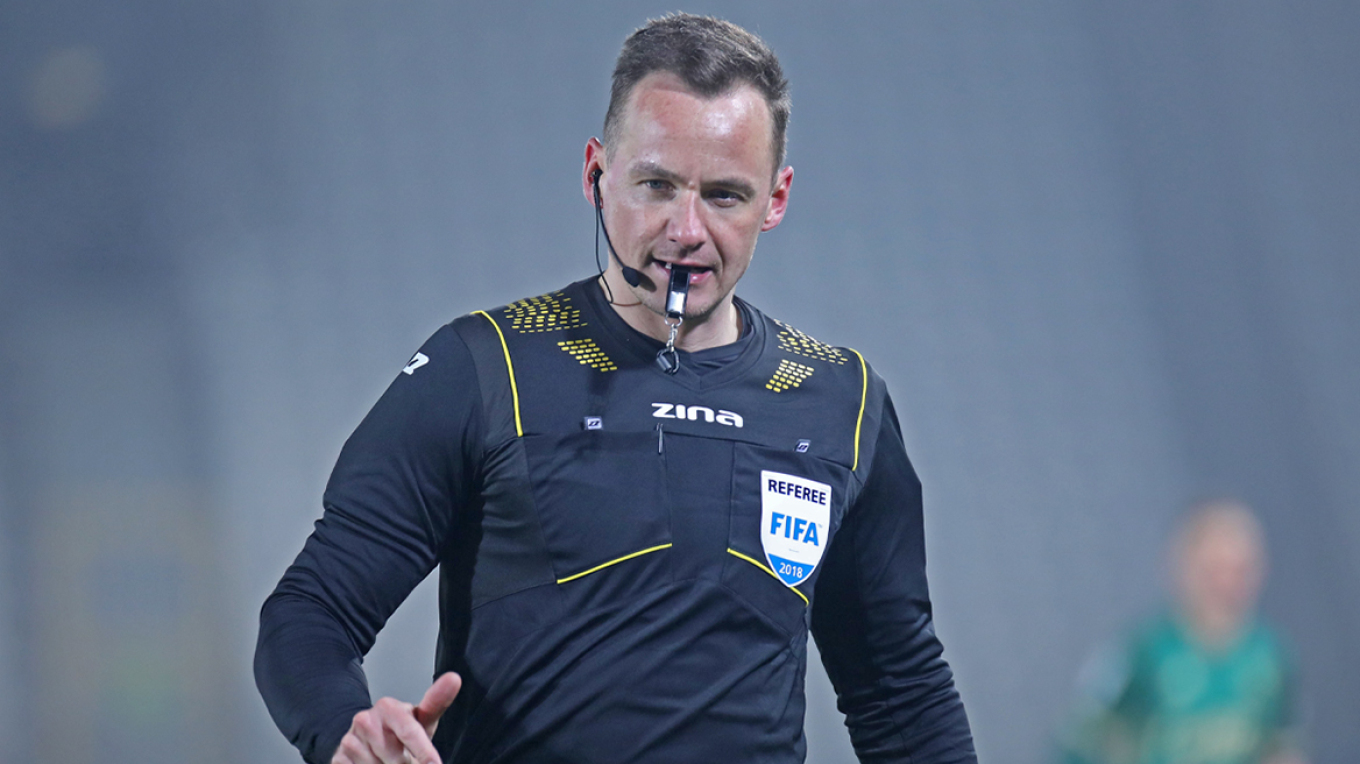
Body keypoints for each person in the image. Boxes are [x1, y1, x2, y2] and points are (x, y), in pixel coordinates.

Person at [255, 13, 975, 764]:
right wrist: (346, 730)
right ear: (596, 175)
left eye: (725, 195)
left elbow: (902, 697)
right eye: (657, 185)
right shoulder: (484, 366)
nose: (686, 229)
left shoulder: (842, 400)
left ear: (776, 198)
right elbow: (310, 613)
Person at [1056, 500, 1305, 764]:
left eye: (1240, 570)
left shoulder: (1271, 654)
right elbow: (1080, 738)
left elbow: (1281, 743)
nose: (1227, 584)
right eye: (1215, 570)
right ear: (1185, 568)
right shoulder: (1142, 650)